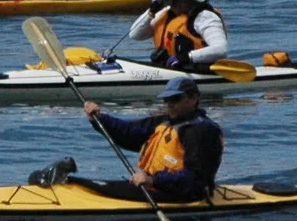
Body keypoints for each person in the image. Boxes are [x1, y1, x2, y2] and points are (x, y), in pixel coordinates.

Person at [82, 76, 225, 203]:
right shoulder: (165, 122)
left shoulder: (202, 131)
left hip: (183, 194)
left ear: (194, 98)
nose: (170, 104)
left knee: (90, 186)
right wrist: (99, 118)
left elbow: (196, 178)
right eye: (166, 100)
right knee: (82, 184)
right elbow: (128, 132)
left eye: (175, 99)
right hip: (157, 187)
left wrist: (153, 180)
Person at [125, 0, 228, 69]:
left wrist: (186, 57)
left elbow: (221, 49)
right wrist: (151, 11)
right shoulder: (165, 13)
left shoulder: (205, 17)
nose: (173, 3)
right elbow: (135, 35)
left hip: (198, 70)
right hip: (168, 69)